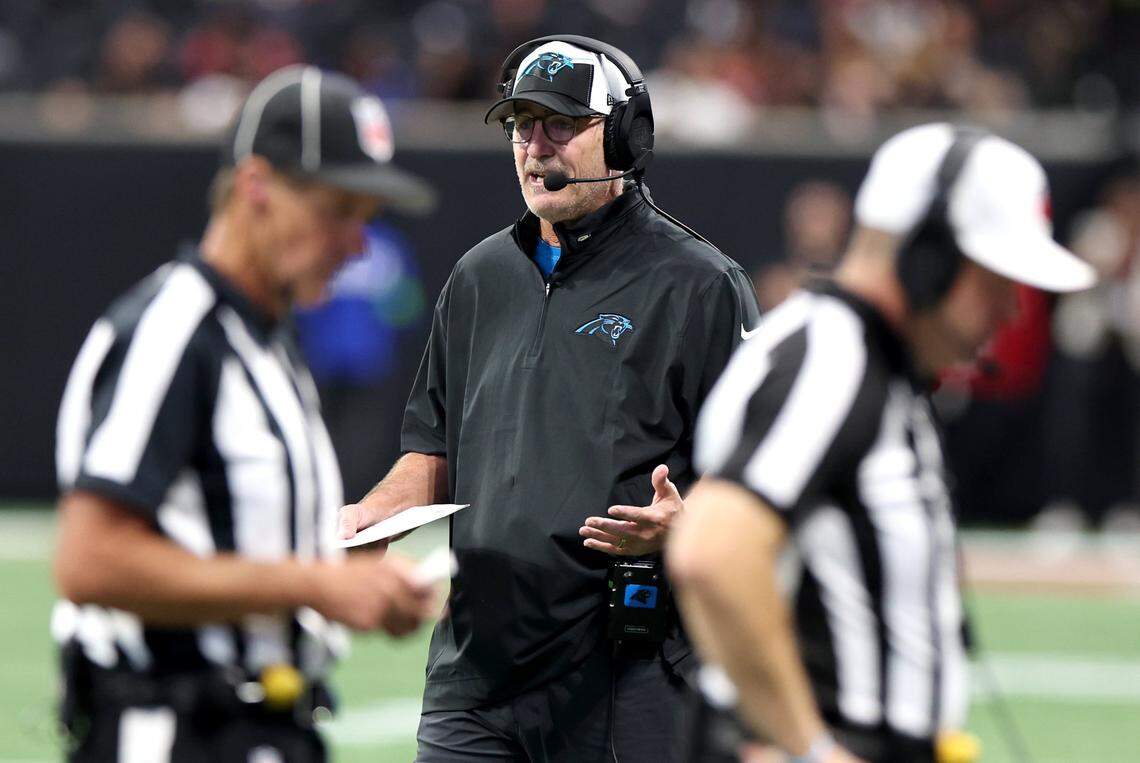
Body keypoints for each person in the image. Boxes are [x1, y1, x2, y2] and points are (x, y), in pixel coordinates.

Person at [337, 35, 761, 762]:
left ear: (626, 137)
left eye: (560, 125)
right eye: (520, 127)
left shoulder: (700, 285)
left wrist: (688, 521)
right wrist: (371, 517)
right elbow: (435, 449)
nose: (536, 148)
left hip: (631, 675)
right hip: (476, 673)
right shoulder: (478, 278)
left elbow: (762, 480)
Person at [666, 124, 1096, 763]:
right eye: (995, 278)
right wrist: (808, 747)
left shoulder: (874, 366)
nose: (1011, 310)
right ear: (931, 258)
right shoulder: (832, 359)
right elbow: (713, 553)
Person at [52, 65, 439, 762]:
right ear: (257, 187)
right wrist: (314, 582)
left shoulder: (267, 341)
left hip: (263, 725)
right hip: (174, 729)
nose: (357, 245)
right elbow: (91, 558)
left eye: (366, 218)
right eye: (337, 211)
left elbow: (219, 534)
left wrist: (346, 569)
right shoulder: (175, 329)